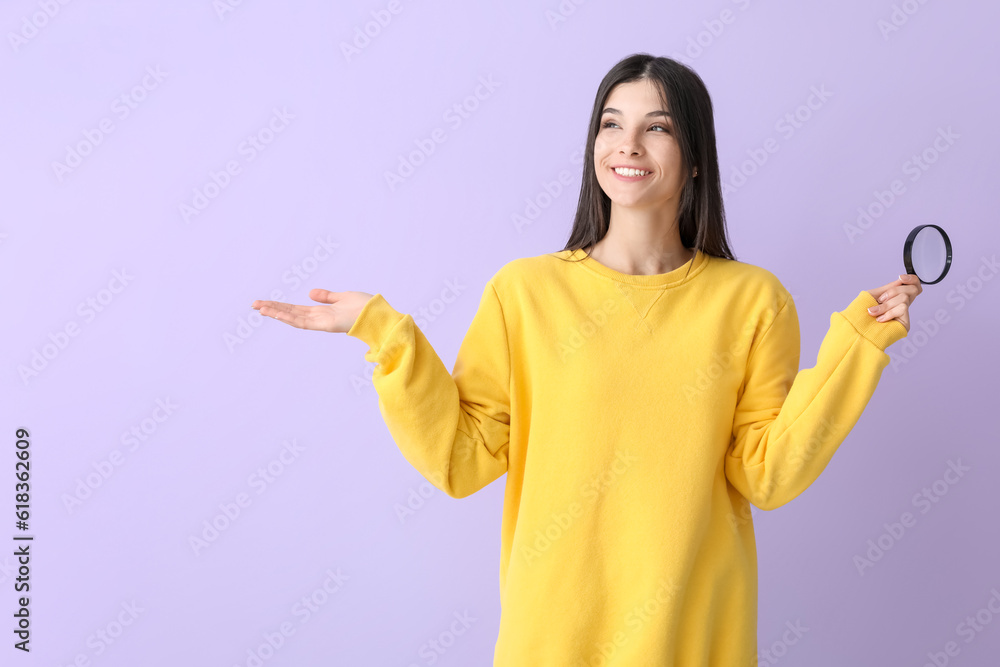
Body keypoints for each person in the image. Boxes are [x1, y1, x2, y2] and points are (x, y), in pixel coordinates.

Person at [251, 53, 921, 666]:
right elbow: (462, 457)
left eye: (656, 127)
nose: (627, 143)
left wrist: (859, 343)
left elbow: (767, 471)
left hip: (692, 639)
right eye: (611, 123)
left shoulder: (752, 301)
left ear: (694, 158)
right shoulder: (525, 292)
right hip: (551, 640)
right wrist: (384, 333)